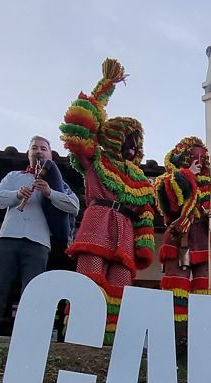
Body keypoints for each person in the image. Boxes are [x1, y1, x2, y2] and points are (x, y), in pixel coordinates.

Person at [60, 58, 156, 345]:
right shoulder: (95, 158)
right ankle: (81, 334)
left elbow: (145, 213)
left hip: (124, 231)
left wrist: (144, 243)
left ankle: (114, 340)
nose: (134, 146)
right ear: (115, 138)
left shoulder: (140, 178)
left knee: (121, 286)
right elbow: (78, 131)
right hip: (97, 223)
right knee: (89, 279)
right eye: (129, 139)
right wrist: (105, 87)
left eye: (137, 141)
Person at [0, 136, 80, 335]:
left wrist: (50, 192)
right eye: (34, 148)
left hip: (38, 243)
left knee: (32, 291)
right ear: (29, 154)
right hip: (8, 238)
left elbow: (74, 206)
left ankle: (28, 334)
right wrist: (17, 194)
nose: (39, 151)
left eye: (44, 148)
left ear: (50, 155)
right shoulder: (14, 177)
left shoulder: (57, 183)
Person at [153, 136, 211, 332]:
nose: (199, 162)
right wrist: (187, 175)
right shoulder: (167, 180)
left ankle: (204, 331)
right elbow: (170, 205)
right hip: (181, 237)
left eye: (202, 158)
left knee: (205, 285)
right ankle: (176, 330)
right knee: (177, 284)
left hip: (205, 240)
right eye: (193, 157)